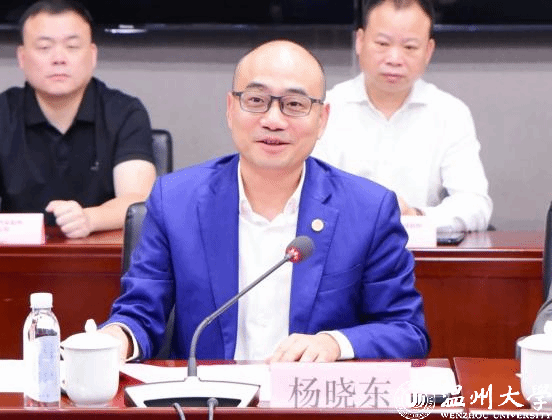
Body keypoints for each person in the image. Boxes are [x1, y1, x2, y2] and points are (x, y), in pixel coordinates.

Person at [102, 40, 429, 363]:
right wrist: (116, 339)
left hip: (311, 394)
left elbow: (406, 331)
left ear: (322, 119)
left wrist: (335, 343)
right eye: (256, 100)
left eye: (295, 104)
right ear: (230, 109)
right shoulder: (175, 201)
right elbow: (139, 313)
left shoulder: (369, 210)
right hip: (209, 394)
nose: (273, 120)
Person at [311, 0, 492, 233]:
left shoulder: (450, 113)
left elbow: (475, 204)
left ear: (428, 51)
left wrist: (415, 217)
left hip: (418, 249)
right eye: (382, 43)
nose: (394, 59)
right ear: (360, 41)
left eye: (409, 47)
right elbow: (307, 195)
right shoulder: (327, 108)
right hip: (342, 244)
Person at [0, 0, 156, 238]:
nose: (59, 58)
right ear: (22, 57)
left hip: (104, 251)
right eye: (44, 47)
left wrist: (90, 218)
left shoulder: (125, 112)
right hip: (18, 252)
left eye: (72, 46)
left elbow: (138, 201)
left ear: (92, 55)